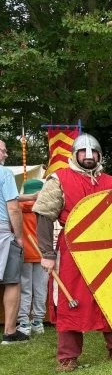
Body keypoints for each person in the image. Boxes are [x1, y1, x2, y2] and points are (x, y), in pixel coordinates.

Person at [33, 134, 112, 370]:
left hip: (109, 252)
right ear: (75, 154)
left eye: (93, 152)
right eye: (83, 152)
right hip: (73, 251)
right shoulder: (59, 179)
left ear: (100, 155)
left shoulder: (111, 182)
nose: (89, 156)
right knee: (70, 300)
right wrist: (47, 254)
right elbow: (44, 215)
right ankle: (68, 357)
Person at [0, 139, 28, 344]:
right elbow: (13, 208)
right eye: (2, 151)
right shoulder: (5, 174)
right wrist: (19, 236)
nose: (6, 154)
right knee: (12, 280)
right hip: (2, 232)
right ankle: (10, 331)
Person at [18, 178, 47, 335]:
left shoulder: (16, 206)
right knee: (41, 288)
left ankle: (24, 323)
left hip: (23, 253)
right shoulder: (45, 208)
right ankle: (38, 322)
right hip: (42, 253)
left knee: (25, 289)